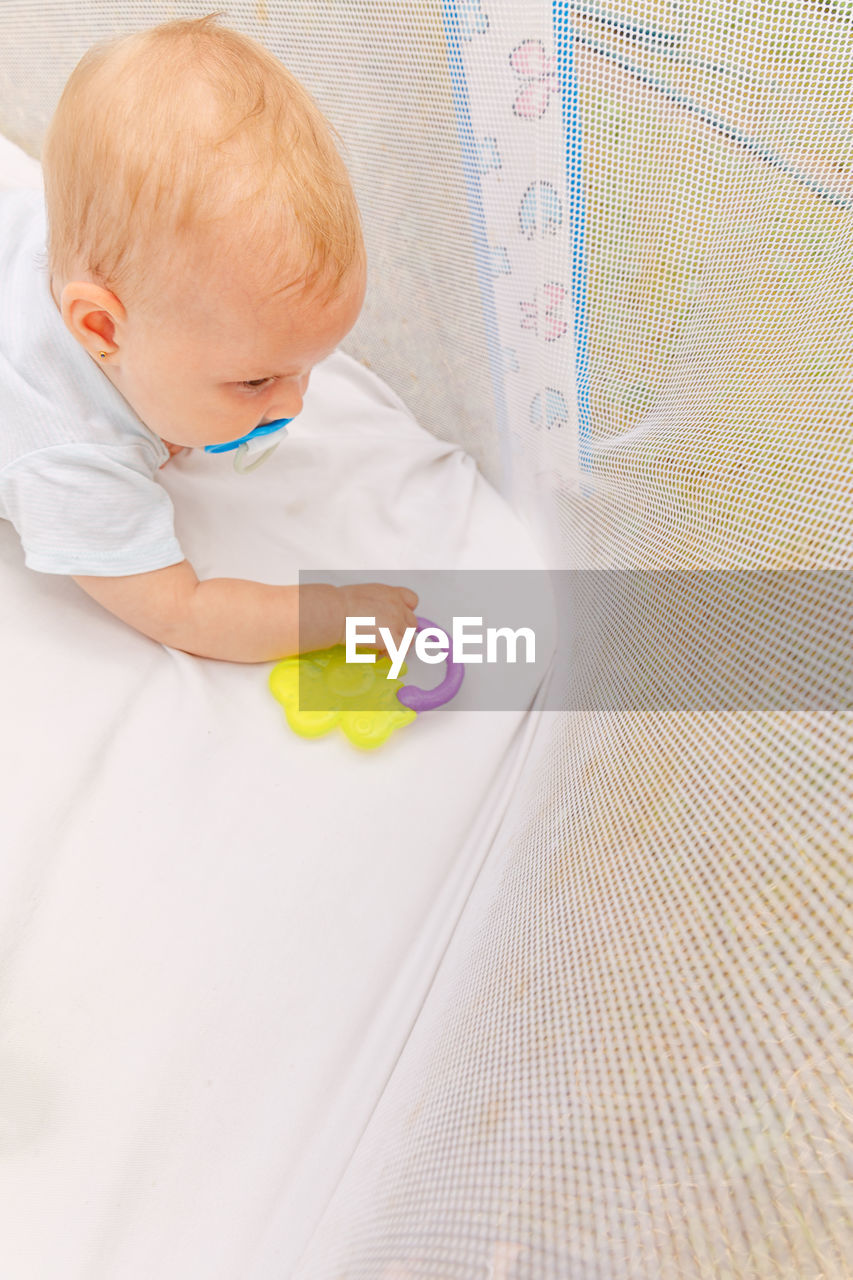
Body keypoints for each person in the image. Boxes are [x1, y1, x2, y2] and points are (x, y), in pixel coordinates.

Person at [0, 13, 418, 662]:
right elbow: (185, 613)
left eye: (308, 368)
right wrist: (337, 613)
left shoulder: (85, 252)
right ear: (102, 328)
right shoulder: (75, 460)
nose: (294, 405)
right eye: (255, 380)